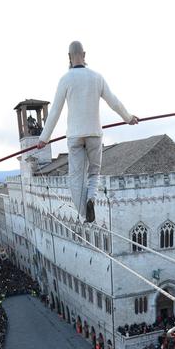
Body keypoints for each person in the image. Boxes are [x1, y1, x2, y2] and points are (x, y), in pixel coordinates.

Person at [36, 40, 139, 223]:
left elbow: (55, 112)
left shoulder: (65, 79)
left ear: (69, 57)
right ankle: (91, 198)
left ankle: (84, 213)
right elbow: (114, 102)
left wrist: (44, 138)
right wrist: (128, 118)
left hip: (75, 136)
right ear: (84, 55)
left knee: (76, 178)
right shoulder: (97, 77)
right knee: (94, 172)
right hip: (94, 134)